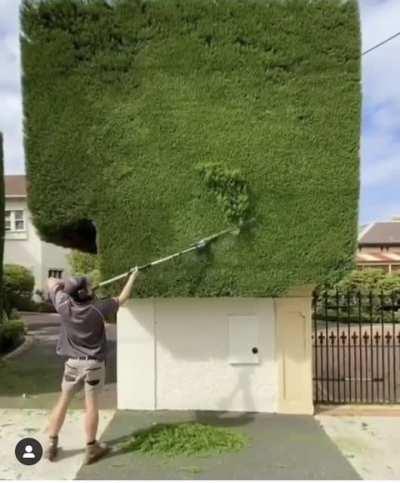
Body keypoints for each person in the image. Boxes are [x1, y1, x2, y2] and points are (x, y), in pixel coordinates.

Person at [44, 268, 139, 464]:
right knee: (91, 405)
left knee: (63, 401)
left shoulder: (63, 303)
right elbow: (123, 297)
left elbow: (50, 281)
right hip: (93, 365)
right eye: (87, 285)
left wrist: (63, 287)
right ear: (87, 292)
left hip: (72, 365)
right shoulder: (99, 308)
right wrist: (132, 277)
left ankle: (51, 445)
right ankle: (91, 448)